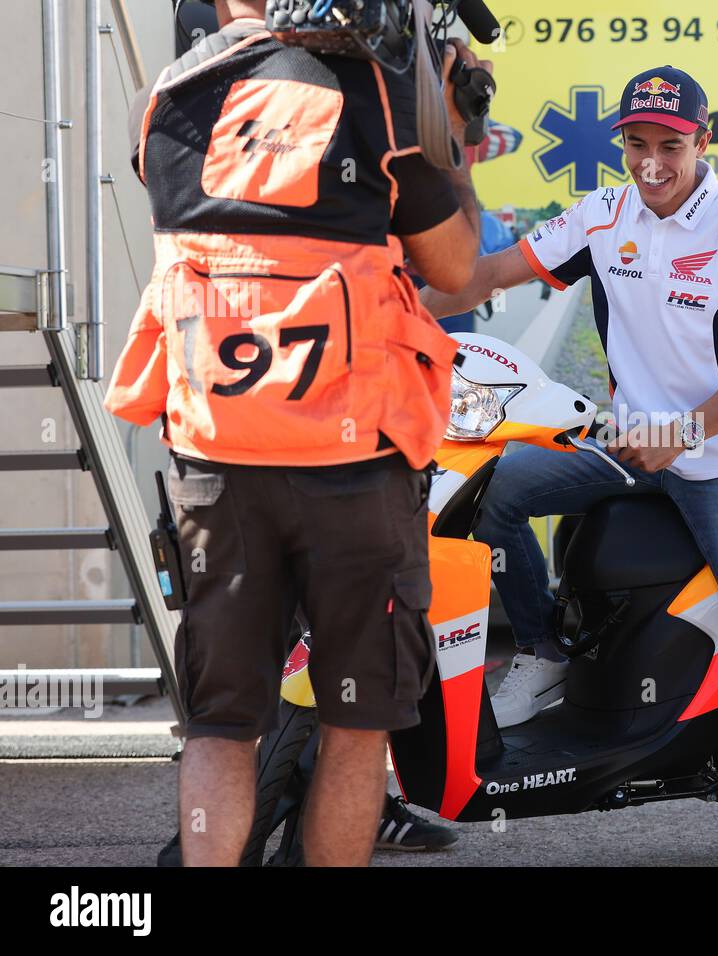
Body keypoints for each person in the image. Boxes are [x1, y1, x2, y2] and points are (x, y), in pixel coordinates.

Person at [420, 65, 718, 867]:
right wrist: (392, 310)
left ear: (705, 141)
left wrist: (687, 431)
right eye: (636, 144)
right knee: (499, 491)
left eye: (670, 145)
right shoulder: (605, 210)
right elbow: (487, 275)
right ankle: (546, 653)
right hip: (629, 444)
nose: (651, 162)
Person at [105, 0, 485, 866]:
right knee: (357, 726)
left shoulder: (162, 99)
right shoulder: (381, 93)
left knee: (221, 724)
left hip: (215, 465)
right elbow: (455, 266)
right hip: (353, 470)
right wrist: (452, 131)